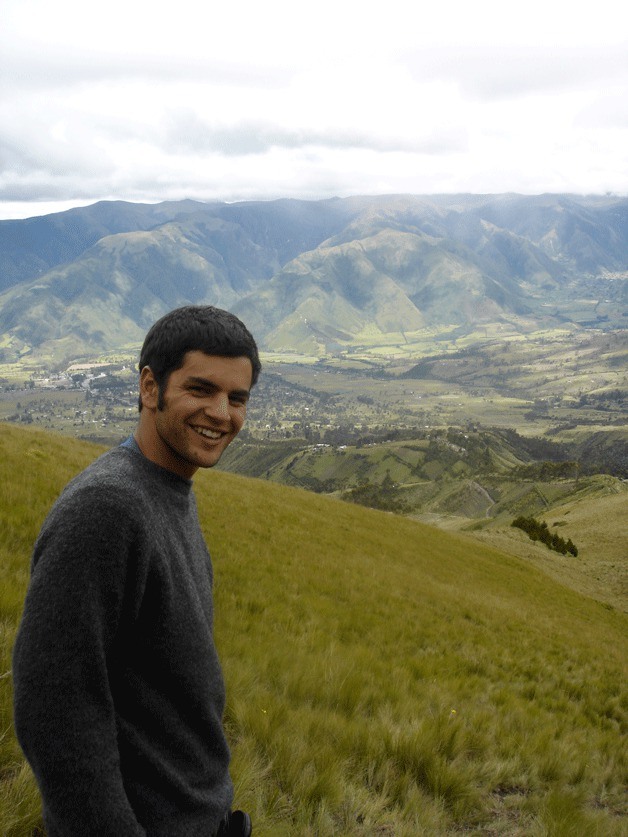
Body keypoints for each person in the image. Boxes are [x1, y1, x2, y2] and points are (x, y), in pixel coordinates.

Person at [12, 305, 259, 836]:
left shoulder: (167, 491)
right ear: (151, 387)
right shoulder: (106, 510)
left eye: (237, 398)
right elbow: (53, 711)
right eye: (201, 389)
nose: (221, 413)